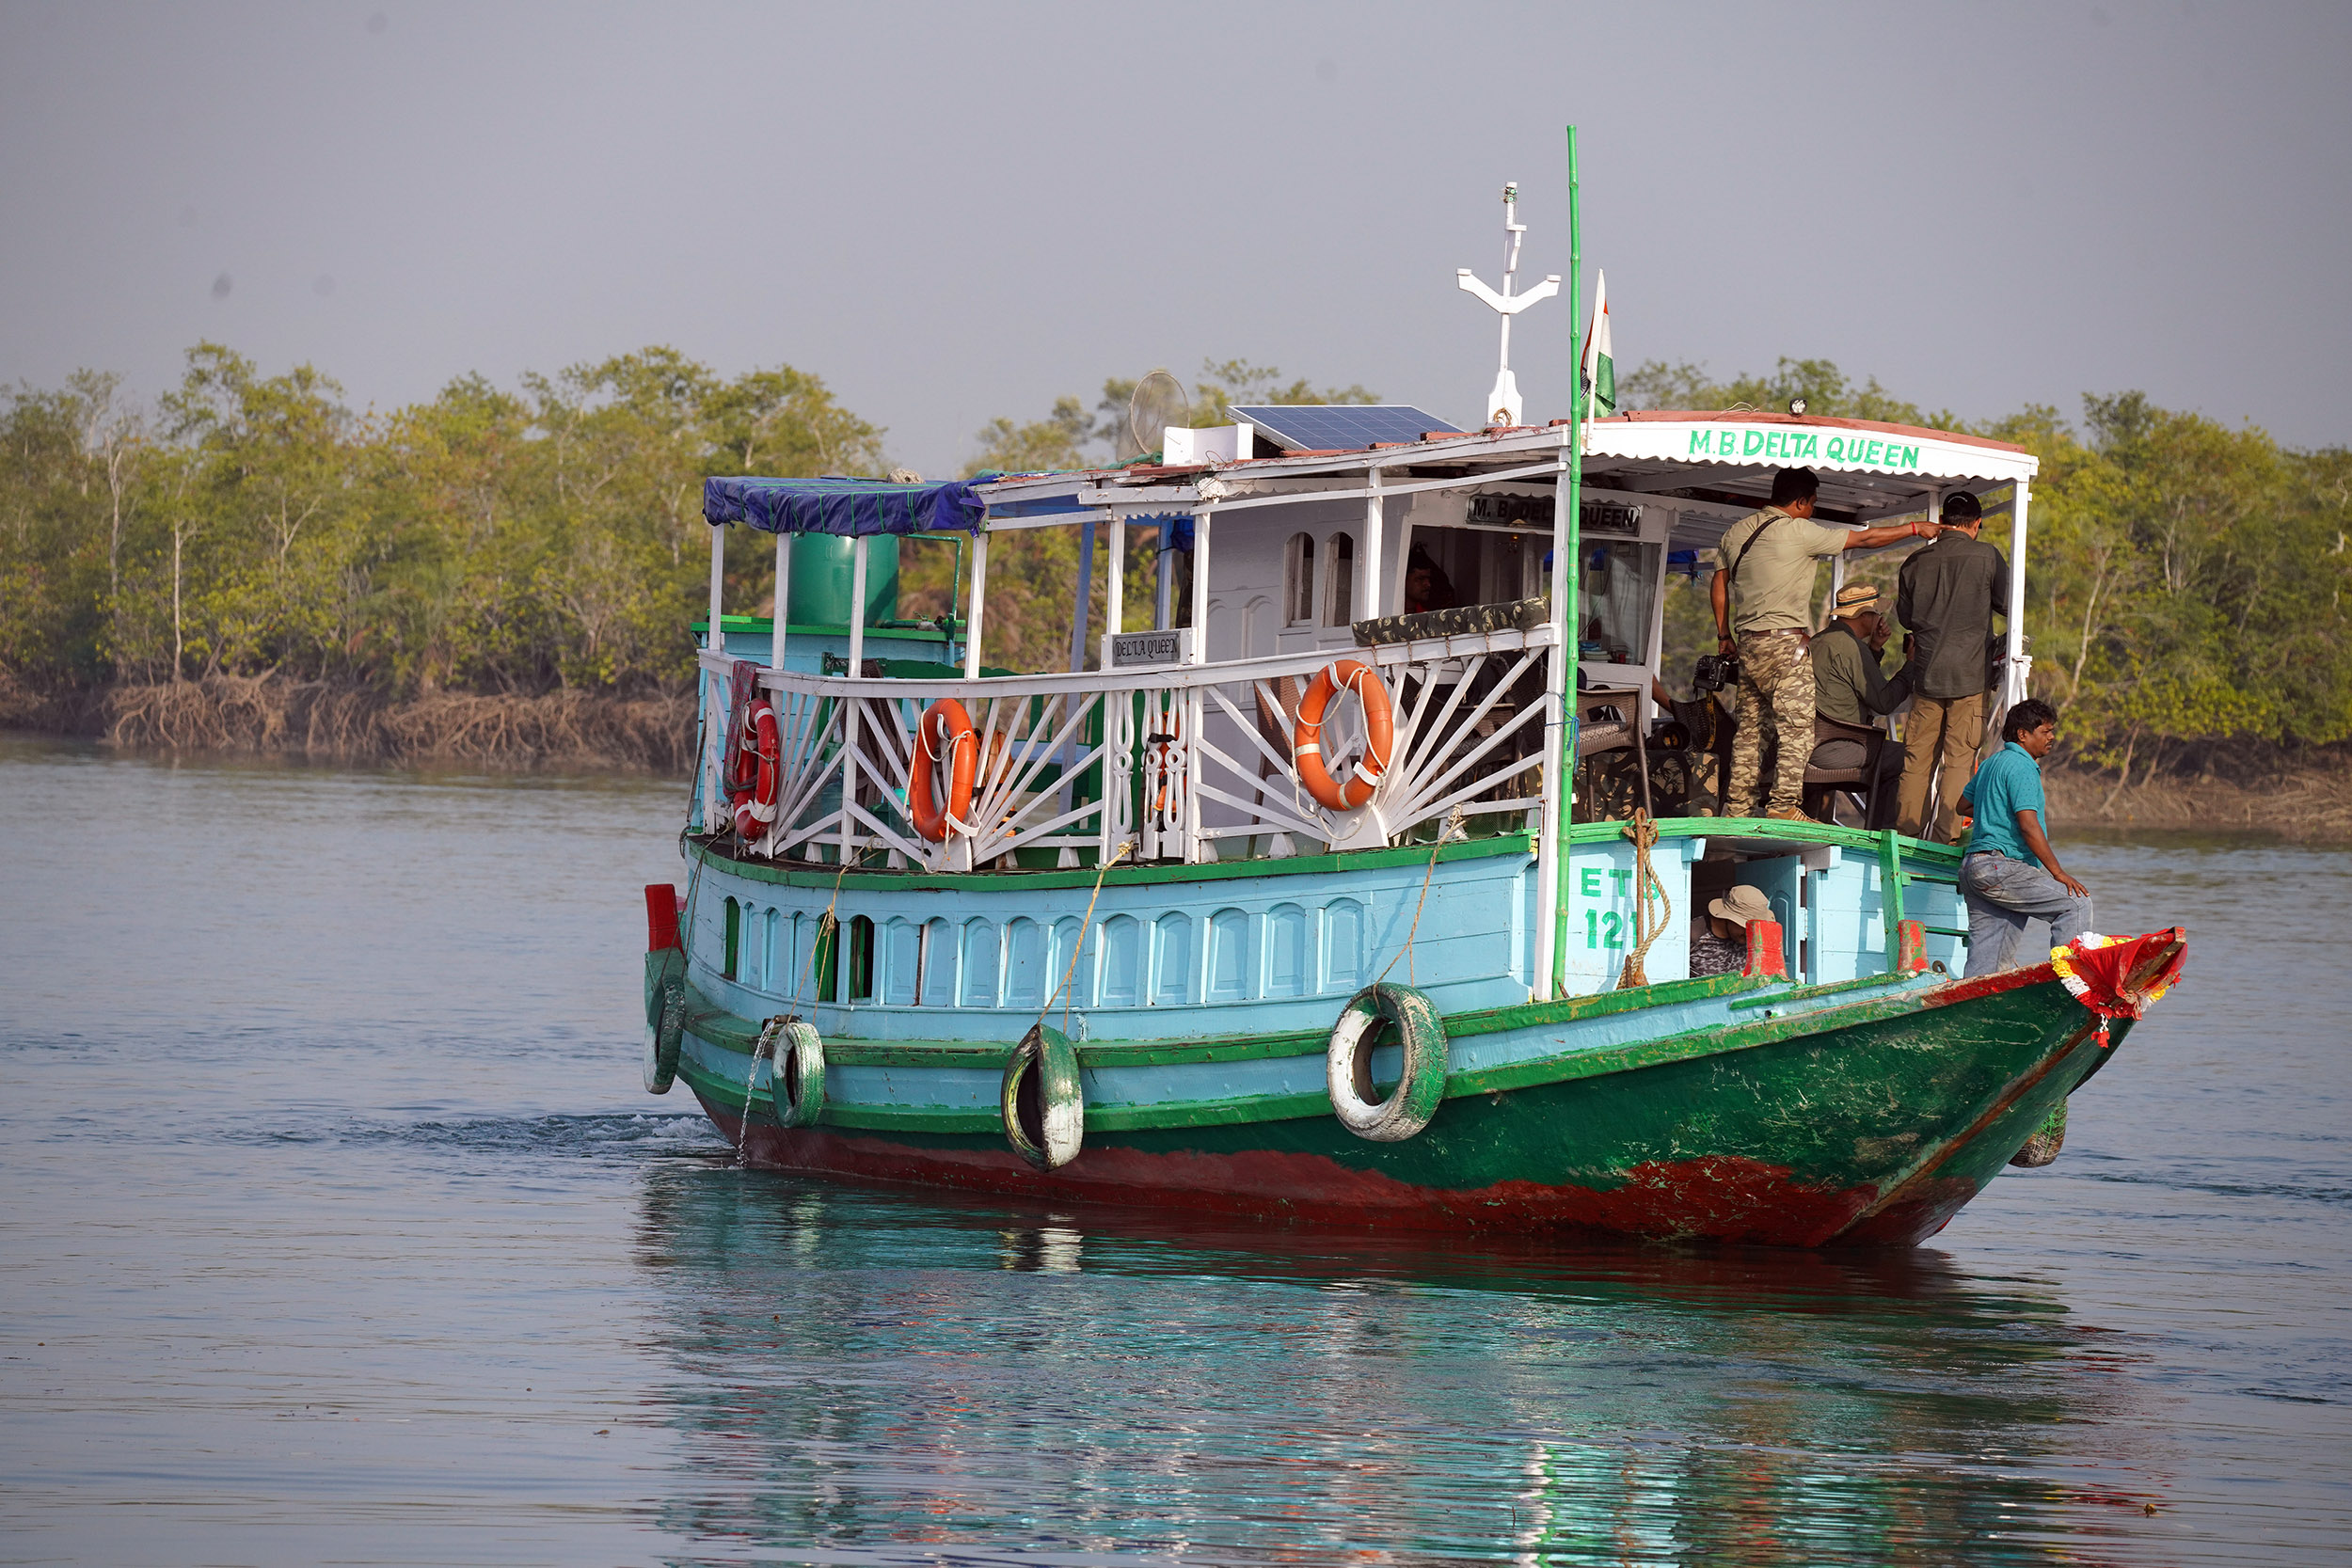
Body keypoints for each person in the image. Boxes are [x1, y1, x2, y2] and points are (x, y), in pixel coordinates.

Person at [1710, 467, 1940, 820]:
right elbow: (1864, 539)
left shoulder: (1735, 532)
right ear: (1800, 501)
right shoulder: (1798, 531)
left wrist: (1724, 635)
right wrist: (1913, 529)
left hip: (1748, 645)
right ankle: (1784, 807)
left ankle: (1737, 808)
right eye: (1812, 504)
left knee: (1750, 731)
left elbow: (1720, 583)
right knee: (1797, 728)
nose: (1812, 511)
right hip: (1785, 646)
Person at [1896, 490, 2010, 841]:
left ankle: (1906, 841)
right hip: (1970, 678)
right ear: (1976, 524)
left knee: (1916, 764)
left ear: (1943, 523)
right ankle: (1945, 843)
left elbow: (1905, 617)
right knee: (1958, 763)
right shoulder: (1988, 556)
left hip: (1926, 678)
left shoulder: (1915, 561)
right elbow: (2008, 605)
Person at [1957, 697, 2092, 978]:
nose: (2051, 737)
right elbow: (2029, 826)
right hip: (2001, 867)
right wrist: (2058, 873)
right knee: (2075, 903)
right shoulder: (2022, 766)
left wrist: (1995, 809)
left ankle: (1976, 1008)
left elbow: (1962, 805)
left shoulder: (1993, 762)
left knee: (1988, 965)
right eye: (2045, 731)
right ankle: (2069, 984)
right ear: (2023, 734)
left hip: (1974, 868)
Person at [1808, 581, 1912, 816]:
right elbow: (1884, 702)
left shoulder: (1819, 641)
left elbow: (1856, 684)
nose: (1879, 619)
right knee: (1906, 759)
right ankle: (1881, 840)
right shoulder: (1851, 647)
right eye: (1877, 613)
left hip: (1806, 746)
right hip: (1835, 749)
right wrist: (1911, 666)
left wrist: (1874, 648)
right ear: (1865, 616)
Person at [1691, 884, 1772, 977]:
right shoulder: (1694, 933)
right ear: (1728, 917)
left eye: (1754, 928)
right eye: (1745, 926)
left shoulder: (1755, 939)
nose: (1749, 933)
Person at [1404, 546, 1459, 615]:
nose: (1428, 584)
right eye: (1420, 579)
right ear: (1404, 579)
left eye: (1428, 579)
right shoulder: (1389, 610)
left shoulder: (1427, 616)